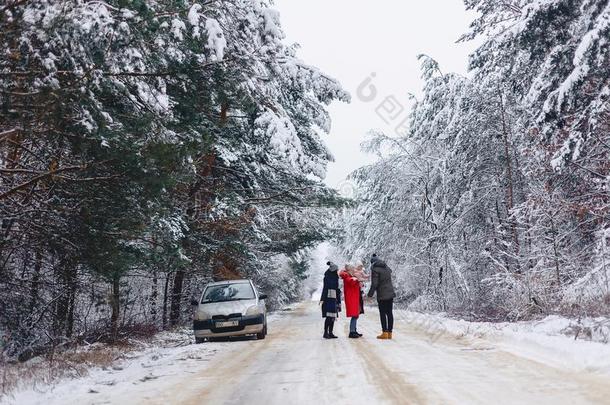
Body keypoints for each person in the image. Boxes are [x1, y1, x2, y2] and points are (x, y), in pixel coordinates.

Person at [367, 254, 396, 340]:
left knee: (382, 313)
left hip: (382, 294)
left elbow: (375, 284)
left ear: (372, 262)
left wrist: (370, 294)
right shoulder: (386, 267)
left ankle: (384, 333)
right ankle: (390, 333)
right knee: (389, 313)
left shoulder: (375, 269)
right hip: (390, 293)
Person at [339, 265, 364, 338]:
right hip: (352, 298)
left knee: (356, 315)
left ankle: (354, 330)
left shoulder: (349, 276)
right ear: (349, 270)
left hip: (354, 298)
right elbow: (351, 282)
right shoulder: (347, 276)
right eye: (352, 269)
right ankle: (352, 332)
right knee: (354, 315)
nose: (354, 270)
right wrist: (357, 279)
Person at [320, 262, 341, 339]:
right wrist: (322, 299)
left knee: (333, 316)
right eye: (336, 270)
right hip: (328, 298)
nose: (337, 271)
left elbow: (336, 288)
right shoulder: (327, 277)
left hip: (334, 297)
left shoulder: (335, 277)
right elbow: (325, 288)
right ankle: (325, 333)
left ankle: (331, 332)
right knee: (329, 316)